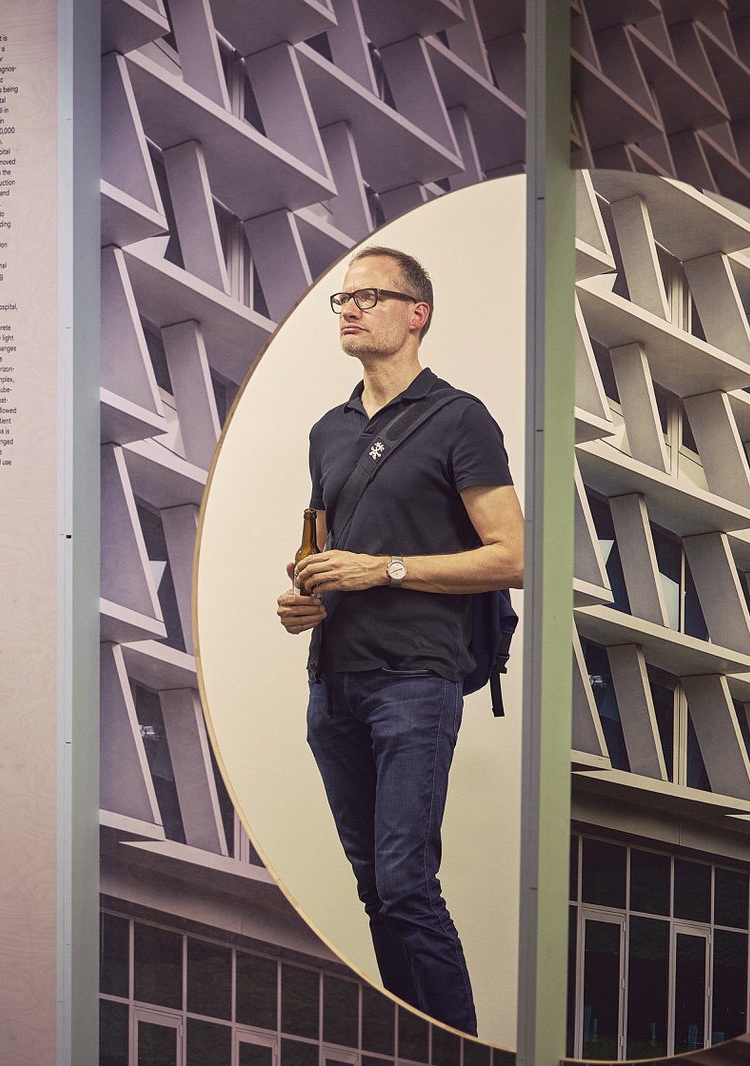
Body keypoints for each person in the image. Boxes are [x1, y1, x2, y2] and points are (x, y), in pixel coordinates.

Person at [274, 247, 523, 1035]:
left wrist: (382, 569)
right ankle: (415, 1041)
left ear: (418, 314)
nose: (349, 308)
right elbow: (319, 549)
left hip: (416, 680)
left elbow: (513, 557)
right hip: (333, 685)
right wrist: (305, 595)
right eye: (343, 299)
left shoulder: (459, 418)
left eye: (370, 296)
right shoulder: (329, 430)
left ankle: (459, 1046)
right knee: (375, 890)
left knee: (407, 883)